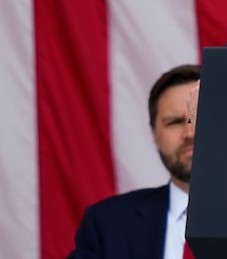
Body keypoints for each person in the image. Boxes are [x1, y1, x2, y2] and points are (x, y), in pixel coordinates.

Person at [67, 64, 201, 259]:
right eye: (174, 122)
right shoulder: (107, 224)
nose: (189, 133)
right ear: (154, 133)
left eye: (199, 119)